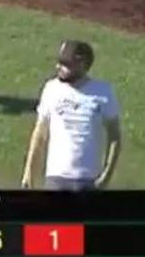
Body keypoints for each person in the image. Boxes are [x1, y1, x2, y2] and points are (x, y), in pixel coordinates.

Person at [21, 40, 122, 191]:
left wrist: (106, 175)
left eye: (65, 64)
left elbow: (114, 137)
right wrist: (28, 173)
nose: (58, 67)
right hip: (56, 179)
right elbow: (40, 135)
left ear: (82, 64)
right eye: (59, 62)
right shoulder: (52, 89)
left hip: (89, 180)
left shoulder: (103, 92)